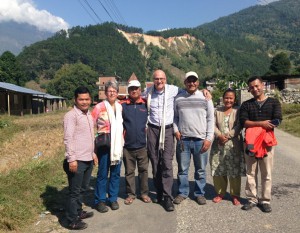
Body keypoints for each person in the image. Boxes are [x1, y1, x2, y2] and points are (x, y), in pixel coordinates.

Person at [144, 69, 211, 212]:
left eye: (162, 78)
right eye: (156, 79)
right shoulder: (148, 92)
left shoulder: (175, 91)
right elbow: (135, 97)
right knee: (155, 162)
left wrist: (205, 90)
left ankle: (168, 196)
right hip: (154, 129)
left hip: (169, 130)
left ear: (166, 79)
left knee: (168, 163)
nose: (159, 81)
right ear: (153, 80)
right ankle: (162, 192)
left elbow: (209, 117)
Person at [239, 76, 282, 213]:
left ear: (262, 85)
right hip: (250, 143)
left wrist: (256, 127)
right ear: (249, 89)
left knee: (266, 173)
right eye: (251, 87)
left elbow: (277, 120)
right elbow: (244, 122)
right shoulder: (246, 104)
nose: (254, 89)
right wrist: (263, 124)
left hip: (266, 143)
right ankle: (252, 199)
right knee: (251, 172)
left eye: (257, 86)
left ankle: (265, 200)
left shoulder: (274, 102)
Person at [173, 71, 214, 206]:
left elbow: (210, 119)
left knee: (200, 169)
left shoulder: (206, 98)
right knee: (182, 169)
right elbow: (175, 117)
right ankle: (182, 193)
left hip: (200, 140)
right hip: (183, 140)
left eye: (194, 81)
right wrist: (176, 130)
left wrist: (209, 138)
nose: (192, 83)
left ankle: (199, 193)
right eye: (189, 81)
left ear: (198, 82)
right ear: (184, 83)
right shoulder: (178, 98)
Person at [63, 86, 98, 230]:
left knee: (82, 189)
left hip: (88, 158)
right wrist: (71, 159)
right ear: (75, 100)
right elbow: (68, 138)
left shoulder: (88, 114)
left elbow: (89, 136)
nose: (84, 102)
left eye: (87, 99)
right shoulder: (71, 116)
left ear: (90, 99)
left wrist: (93, 153)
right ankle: (72, 220)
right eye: (81, 99)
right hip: (77, 160)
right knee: (74, 191)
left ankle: (78, 212)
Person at [209, 89, 246, 206]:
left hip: (233, 145)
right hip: (218, 144)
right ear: (223, 98)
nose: (228, 100)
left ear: (234, 99)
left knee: (234, 171)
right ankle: (220, 193)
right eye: (226, 98)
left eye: (231, 98)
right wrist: (219, 135)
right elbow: (212, 124)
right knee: (218, 169)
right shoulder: (217, 111)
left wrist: (228, 135)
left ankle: (235, 195)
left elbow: (240, 125)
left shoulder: (238, 111)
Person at [92, 81, 124, 213]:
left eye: (114, 91)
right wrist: (92, 149)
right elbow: (91, 126)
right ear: (105, 93)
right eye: (109, 91)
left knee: (115, 173)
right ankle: (100, 200)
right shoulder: (99, 107)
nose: (112, 93)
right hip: (104, 144)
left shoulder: (120, 107)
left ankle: (113, 198)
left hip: (117, 145)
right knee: (103, 173)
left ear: (117, 93)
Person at [121, 80, 151, 205]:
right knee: (129, 172)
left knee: (144, 171)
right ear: (128, 91)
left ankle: (144, 193)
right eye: (132, 89)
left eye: (136, 88)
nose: (134, 91)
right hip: (128, 146)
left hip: (143, 146)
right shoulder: (122, 105)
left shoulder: (145, 104)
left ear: (140, 90)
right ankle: (131, 194)